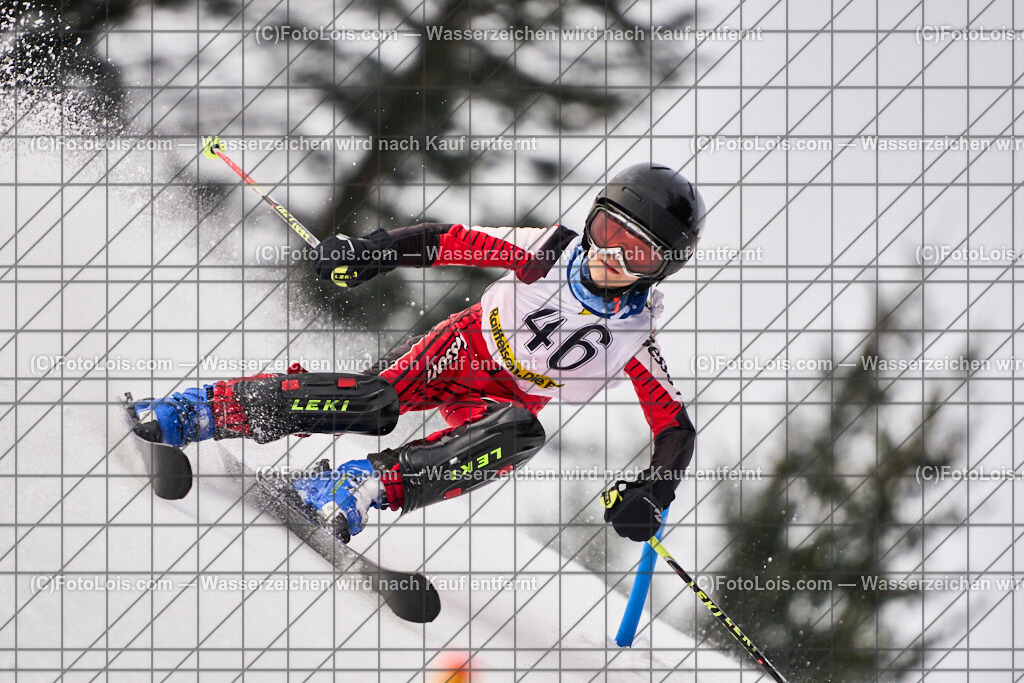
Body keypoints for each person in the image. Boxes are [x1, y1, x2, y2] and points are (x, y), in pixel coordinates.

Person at [129, 163, 706, 544]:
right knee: (376, 403)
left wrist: (653, 490)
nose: (611, 258)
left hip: (502, 400)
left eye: (637, 255)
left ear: (661, 270)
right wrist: (370, 252)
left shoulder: (636, 336)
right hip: (458, 348)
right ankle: (210, 408)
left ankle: (359, 485)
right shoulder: (547, 252)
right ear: (592, 219)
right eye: (608, 232)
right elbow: (445, 240)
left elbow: (674, 427)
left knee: (523, 434)